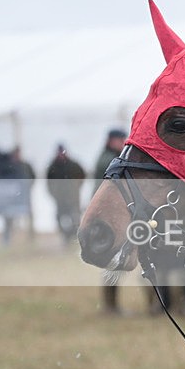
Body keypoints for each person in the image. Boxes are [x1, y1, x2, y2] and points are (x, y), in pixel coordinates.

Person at [93, 128, 127, 314]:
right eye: (120, 139)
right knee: (113, 261)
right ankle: (109, 306)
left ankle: (110, 305)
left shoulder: (108, 158)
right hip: (108, 218)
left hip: (107, 216)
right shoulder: (109, 161)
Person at [46, 143, 86, 245]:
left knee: (75, 219)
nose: (61, 155)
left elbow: (83, 176)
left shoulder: (73, 165)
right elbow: (48, 182)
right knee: (59, 218)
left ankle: (74, 237)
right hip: (60, 199)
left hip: (73, 198)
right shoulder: (52, 166)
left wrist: (76, 188)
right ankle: (66, 236)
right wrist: (53, 194)